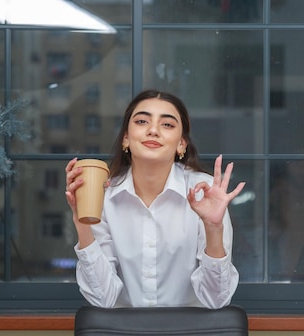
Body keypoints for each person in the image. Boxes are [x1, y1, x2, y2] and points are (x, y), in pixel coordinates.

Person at [64, 89, 246, 308]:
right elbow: (103, 298)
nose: (153, 130)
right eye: (142, 121)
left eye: (167, 124)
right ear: (125, 139)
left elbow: (216, 300)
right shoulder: (103, 195)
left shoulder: (205, 193)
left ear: (181, 144)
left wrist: (214, 227)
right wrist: (83, 223)